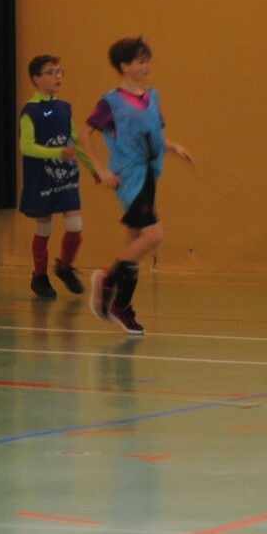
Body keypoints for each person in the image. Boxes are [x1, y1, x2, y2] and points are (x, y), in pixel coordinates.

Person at [84, 36, 193, 335]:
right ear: (124, 66)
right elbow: (85, 134)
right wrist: (100, 169)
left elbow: (154, 137)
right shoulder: (111, 102)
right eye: (141, 61)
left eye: (148, 60)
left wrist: (174, 148)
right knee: (153, 234)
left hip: (149, 173)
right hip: (128, 175)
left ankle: (121, 306)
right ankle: (106, 280)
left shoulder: (152, 97)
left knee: (133, 243)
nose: (147, 66)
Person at [18, 55, 91, 299]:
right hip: (41, 178)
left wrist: (94, 168)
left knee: (75, 225)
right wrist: (57, 153)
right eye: (51, 72)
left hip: (66, 177)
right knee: (44, 228)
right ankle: (39, 277)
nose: (57, 76)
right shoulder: (30, 111)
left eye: (60, 71)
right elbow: (26, 146)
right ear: (36, 79)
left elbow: (74, 141)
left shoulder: (64, 108)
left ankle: (65, 267)